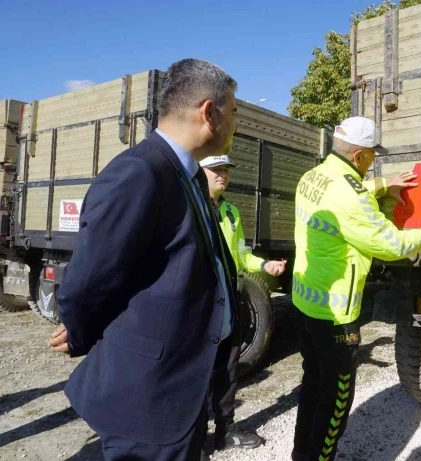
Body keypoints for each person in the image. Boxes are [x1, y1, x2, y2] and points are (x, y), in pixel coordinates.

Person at [48, 58, 242, 461]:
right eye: (234, 112)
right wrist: (80, 330)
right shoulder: (142, 171)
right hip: (149, 396)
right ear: (209, 112)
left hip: (180, 387)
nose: (236, 125)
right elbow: (89, 279)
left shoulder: (184, 175)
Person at [291, 116, 421, 461]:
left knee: (312, 387)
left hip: (305, 305)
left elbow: (345, 194)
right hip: (336, 317)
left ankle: (301, 456)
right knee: (336, 400)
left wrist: (383, 186)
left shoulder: (314, 176)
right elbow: (390, 245)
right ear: (358, 157)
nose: (372, 162)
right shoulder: (350, 194)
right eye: (370, 156)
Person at [199, 154, 286, 452]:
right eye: (215, 170)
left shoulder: (231, 211)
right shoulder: (190, 208)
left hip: (230, 302)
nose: (222, 175)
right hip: (201, 303)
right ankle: (194, 438)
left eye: (225, 170)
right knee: (196, 371)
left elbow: (241, 255)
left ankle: (225, 430)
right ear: (200, 172)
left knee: (227, 367)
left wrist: (265, 266)